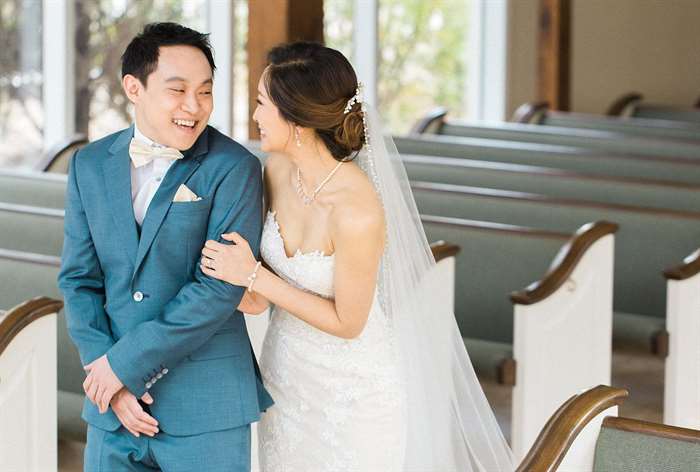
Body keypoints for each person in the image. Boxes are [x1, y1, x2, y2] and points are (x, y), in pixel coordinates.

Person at [200, 41, 515, 471]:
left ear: (296, 118)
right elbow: (260, 290)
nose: (253, 115)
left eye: (260, 103)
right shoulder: (273, 171)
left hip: (353, 392)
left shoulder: (356, 208)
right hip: (285, 377)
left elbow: (349, 322)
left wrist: (252, 276)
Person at [58, 22, 271, 471]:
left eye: (206, 92)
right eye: (177, 90)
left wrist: (124, 366)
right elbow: (79, 279)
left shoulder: (236, 168)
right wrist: (108, 376)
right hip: (111, 411)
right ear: (134, 88)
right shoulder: (89, 165)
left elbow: (218, 290)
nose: (193, 107)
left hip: (205, 405)